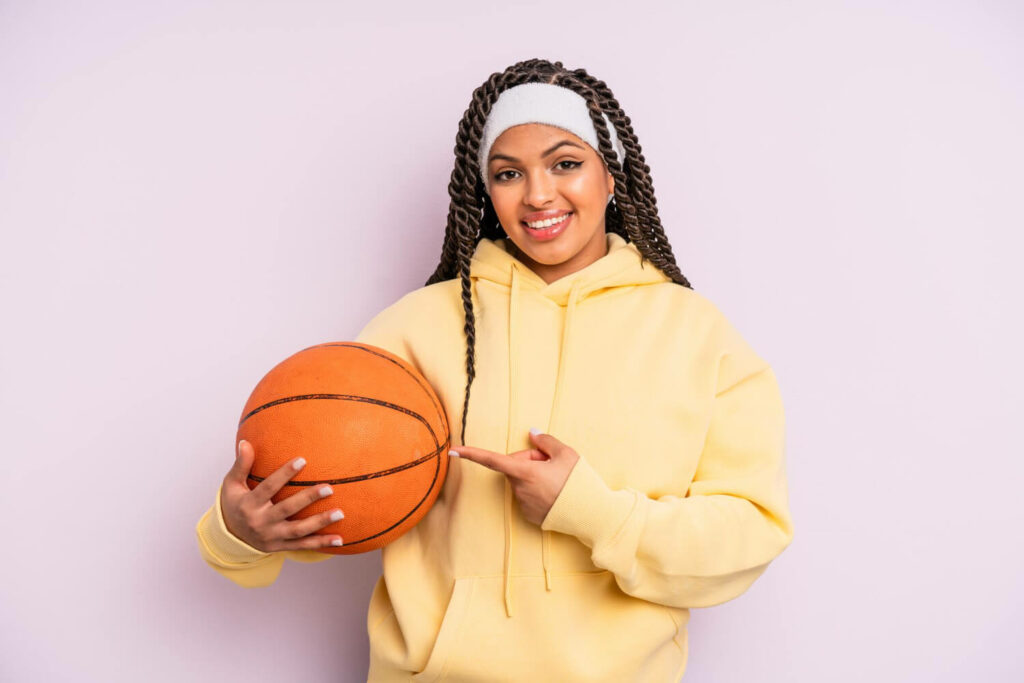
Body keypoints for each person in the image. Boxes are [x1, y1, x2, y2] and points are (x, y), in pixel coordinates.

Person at [195, 58, 794, 682]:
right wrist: (242, 533)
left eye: (566, 163)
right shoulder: (416, 328)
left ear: (611, 175)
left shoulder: (698, 334)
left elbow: (749, 537)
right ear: (486, 191)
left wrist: (591, 510)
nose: (537, 195)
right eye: (509, 174)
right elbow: (341, 494)